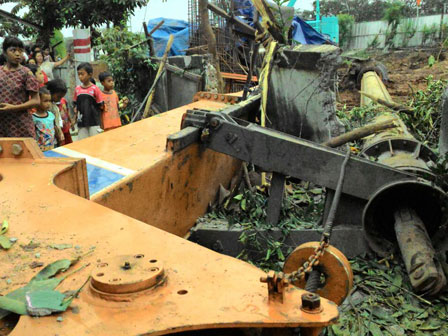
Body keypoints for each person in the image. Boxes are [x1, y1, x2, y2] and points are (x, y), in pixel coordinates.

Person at [0, 36, 40, 138]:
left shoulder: (26, 73)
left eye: (20, 51)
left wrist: (14, 108)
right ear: (4, 52)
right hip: (2, 124)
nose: (18, 54)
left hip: (21, 125)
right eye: (13, 50)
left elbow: (36, 101)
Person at [73, 62, 104, 140]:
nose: (80, 76)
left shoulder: (95, 89)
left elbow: (101, 105)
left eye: (82, 74)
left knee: (95, 141)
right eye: (78, 74)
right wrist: (74, 118)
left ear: (90, 74)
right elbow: (75, 105)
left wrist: (101, 122)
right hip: (82, 121)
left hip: (94, 121)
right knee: (82, 142)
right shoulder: (77, 89)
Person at [32, 87, 61, 151]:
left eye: (49, 101)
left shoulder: (51, 115)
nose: (48, 103)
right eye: (45, 101)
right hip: (41, 148)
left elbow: (54, 127)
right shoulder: (33, 118)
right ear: (38, 101)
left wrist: (59, 137)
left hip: (53, 146)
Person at [47, 79, 72, 145]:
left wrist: (60, 132)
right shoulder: (47, 107)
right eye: (58, 96)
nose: (60, 99)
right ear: (51, 92)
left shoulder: (54, 107)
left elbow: (57, 122)